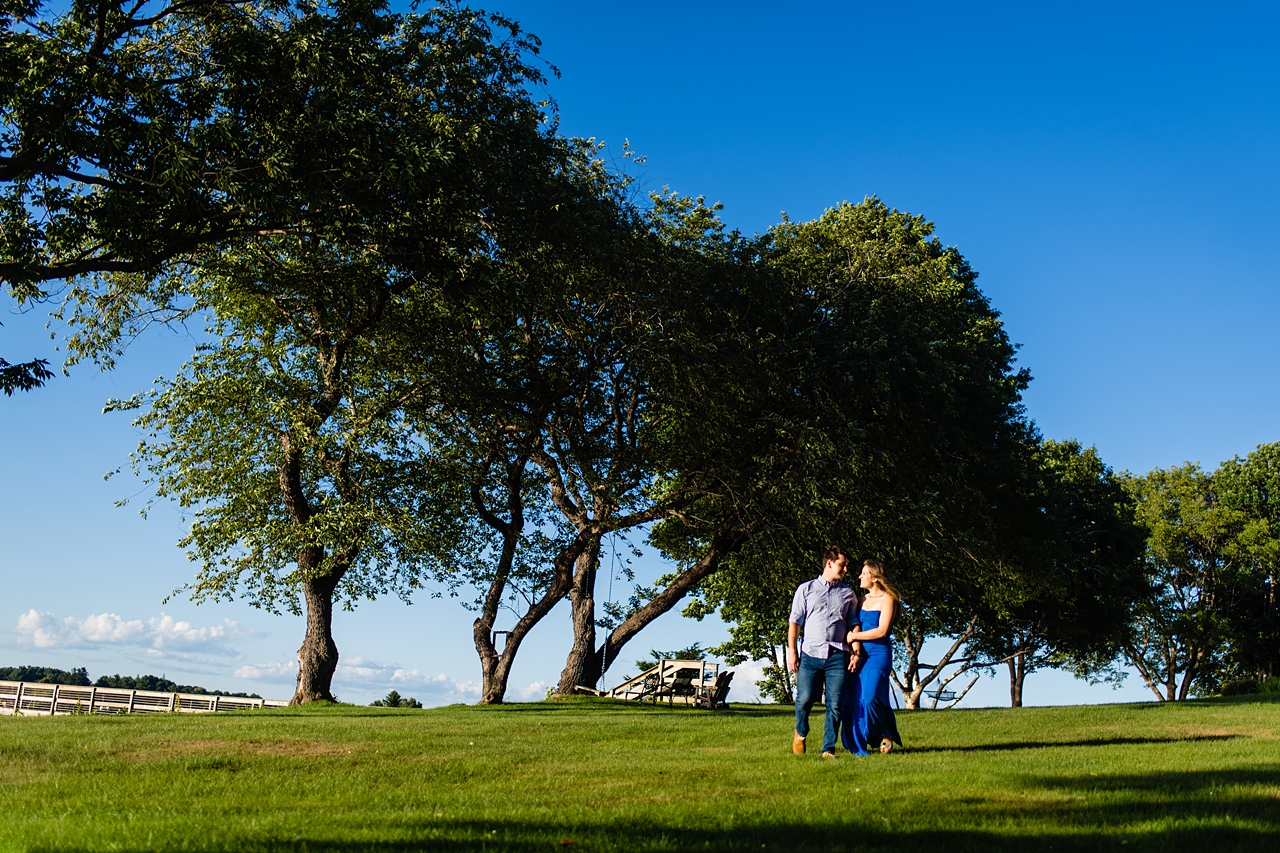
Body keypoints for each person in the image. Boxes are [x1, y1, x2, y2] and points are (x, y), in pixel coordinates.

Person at [787, 546, 860, 758]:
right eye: (842, 564)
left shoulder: (848, 593)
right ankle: (800, 733)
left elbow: (853, 623)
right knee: (805, 699)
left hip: (838, 655)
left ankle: (828, 748)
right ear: (829, 563)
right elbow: (795, 622)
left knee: (835, 703)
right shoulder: (806, 589)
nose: (846, 569)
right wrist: (793, 651)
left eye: (846, 565)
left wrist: (855, 651)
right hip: (810, 654)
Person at [841, 559, 903, 755]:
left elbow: (882, 631)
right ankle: (863, 741)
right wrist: (853, 647)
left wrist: (855, 636)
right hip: (859, 655)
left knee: (870, 697)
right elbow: (852, 625)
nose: (859, 576)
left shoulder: (888, 599)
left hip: (878, 654)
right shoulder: (860, 601)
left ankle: (886, 732)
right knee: (855, 699)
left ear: (875, 578)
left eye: (864, 573)